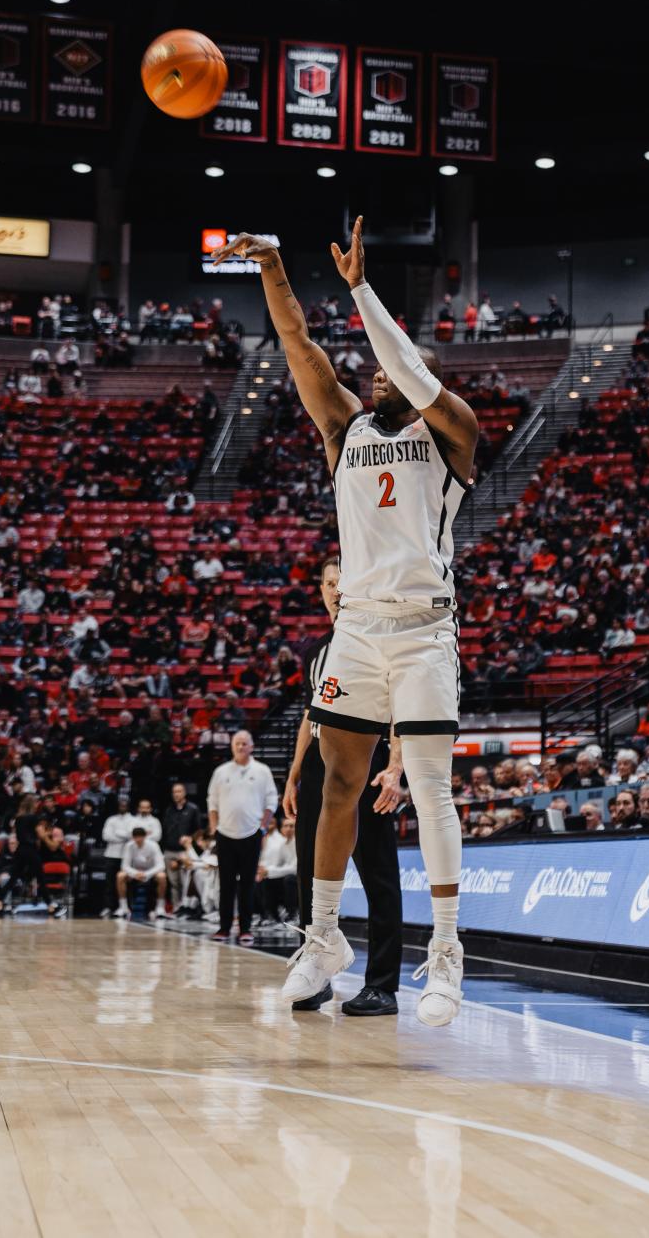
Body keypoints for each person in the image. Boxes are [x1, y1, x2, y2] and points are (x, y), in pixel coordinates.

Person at [215, 218, 478, 1026]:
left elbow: (402, 360)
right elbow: (297, 343)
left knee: (430, 787)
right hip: (358, 627)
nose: (376, 371)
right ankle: (323, 938)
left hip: (426, 628)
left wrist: (363, 289)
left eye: (393, 364)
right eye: (372, 365)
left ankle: (445, 955)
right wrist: (274, 265)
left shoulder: (452, 431)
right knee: (340, 784)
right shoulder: (345, 427)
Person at [284, 556, 403, 1015]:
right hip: (318, 762)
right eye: (329, 582)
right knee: (310, 875)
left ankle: (383, 984)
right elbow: (310, 715)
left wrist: (395, 767)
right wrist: (294, 774)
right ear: (320, 591)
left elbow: (398, 714)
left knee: (378, 875)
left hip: (364, 762)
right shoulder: (319, 649)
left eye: (343, 581)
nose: (336, 588)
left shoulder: (375, 641)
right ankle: (315, 973)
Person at [206, 729, 278, 946]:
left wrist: (263, 827)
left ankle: (245, 929)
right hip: (225, 835)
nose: (240, 747)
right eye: (237, 743)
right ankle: (224, 927)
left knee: (247, 884)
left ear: (252, 746)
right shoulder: (221, 771)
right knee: (226, 884)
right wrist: (213, 828)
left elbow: (271, 800)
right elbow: (212, 802)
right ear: (231, 746)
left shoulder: (262, 770)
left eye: (244, 743)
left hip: (251, 835)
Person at [161, 782, 201, 916]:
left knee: (186, 881)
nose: (176, 794)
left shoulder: (192, 809)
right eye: (174, 792)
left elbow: (198, 830)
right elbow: (165, 829)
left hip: (185, 850)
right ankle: (176, 907)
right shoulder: (169, 809)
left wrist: (190, 839)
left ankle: (188, 907)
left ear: (184, 793)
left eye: (179, 791)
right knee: (173, 882)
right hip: (170, 850)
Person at [114, 826, 167, 923]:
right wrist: (135, 874)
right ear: (133, 837)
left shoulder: (153, 845)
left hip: (151, 872)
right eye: (136, 837)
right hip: (135, 872)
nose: (138, 839)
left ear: (145, 836)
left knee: (162, 876)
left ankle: (160, 908)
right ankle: (123, 907)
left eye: (140, 837)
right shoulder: (129, 846)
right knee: (120, 875)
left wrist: (147, 874)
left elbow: (161, 865)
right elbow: (124, 865)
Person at [257, 816, 298, 924]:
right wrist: (265, 871)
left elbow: (295, 868)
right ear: (281, 829)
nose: (289, 829)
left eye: (292, 826)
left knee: (289, 879)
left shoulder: (298, 843)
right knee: (266, 879)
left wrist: (269, 871)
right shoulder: (283, 844)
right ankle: (271, 915)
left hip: (300, 878)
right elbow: (277, 864)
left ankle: (293, 915)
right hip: (287, 876)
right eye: (286, 826)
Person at [100, 797, 134, 917]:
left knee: (127, 883)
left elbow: (132, 836)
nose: (122, 806)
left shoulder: (133, 820)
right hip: (111, 855)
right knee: (109, 884)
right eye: (121, 804)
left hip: (127, 856)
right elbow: (106, 836)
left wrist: (118, 833)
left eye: (125, 804)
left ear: (128, 805)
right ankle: (108, 907)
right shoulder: (111, 819)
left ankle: (125, 907)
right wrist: (124, 836)